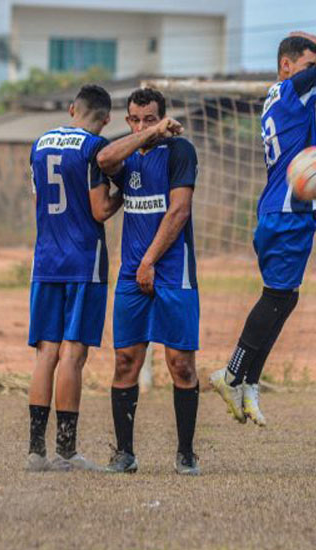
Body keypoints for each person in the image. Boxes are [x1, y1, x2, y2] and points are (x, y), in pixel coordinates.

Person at [209, 32, 316, 426]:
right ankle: (230, 374)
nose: (315, 72)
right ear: (286, 65)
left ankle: (249, 384)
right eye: (308, 65)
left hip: (287, 210)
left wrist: (314, 202)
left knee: (285, 298)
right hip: (286, 214)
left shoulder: (276, 97)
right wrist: (313, 39)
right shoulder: (295, 88)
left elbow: (296, 157)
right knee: (275, 298)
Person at [96, 88, 201, 475]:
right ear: (128, 121)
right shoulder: (123, 152)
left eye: (150, 118)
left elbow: (179, 211)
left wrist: (150, 260)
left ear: (163, 117)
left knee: (181, 365)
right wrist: (147, 134)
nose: (141, 125)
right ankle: (125, 454)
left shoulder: (180, 151)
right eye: (135, 120)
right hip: (131, 273)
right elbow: (104, 159)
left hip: (172, 270)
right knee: (126, 361)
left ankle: (186, 453)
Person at [25, 85, 122, 472]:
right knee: (73, 354)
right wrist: (122, 198)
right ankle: (66, 451)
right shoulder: (94, 148)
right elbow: (99, 210)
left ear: (71, 109)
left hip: (46, 259)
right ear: (107, 119)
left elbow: (38, 201)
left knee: (46, 353)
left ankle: (36, 451)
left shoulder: (40, 143)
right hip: (84, 259)